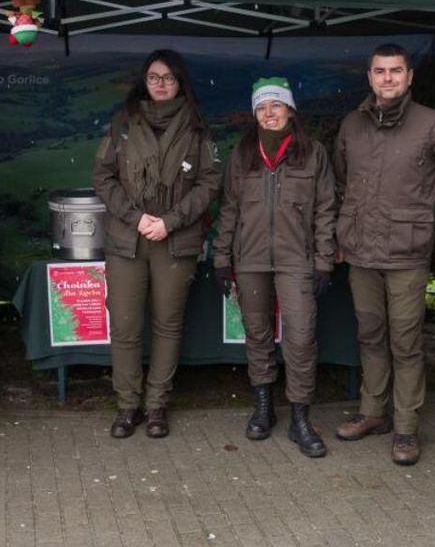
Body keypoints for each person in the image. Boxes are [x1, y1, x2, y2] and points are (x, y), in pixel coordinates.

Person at [333, 43, 435, 466]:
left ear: (409, 77)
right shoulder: (352, 126)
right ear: (369, 77)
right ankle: (372, 412)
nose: (387, 79)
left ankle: (405, 427)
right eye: (380, 71)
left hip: (406, 253)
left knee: (405, 342)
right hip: (362, 251)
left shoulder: (433, 125)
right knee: (370, 336)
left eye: (395, 71)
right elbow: (342, 182)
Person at [92, 49, 220, 439]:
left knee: (168, 325)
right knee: (126, 326)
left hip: (175, 240)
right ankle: (128, 406)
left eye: (168, 77)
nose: (161, 84)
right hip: (126, 240)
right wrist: (137, 217)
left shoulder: (197, 128)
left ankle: (157, 406)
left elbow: (210, 182)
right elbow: (103, 177)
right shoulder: (124, 124)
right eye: (154, 77)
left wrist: (170, 221)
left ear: (180, 82)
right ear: (144, 82)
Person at [212, 77, 336, 458]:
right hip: (249, 260)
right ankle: (263, 407)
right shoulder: (241, 155)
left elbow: (325, 209)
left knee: (300, 338)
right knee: (258, 334)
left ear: (290, 110)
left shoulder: (312, 154)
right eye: (262, 107)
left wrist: (324, 260)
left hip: (296, 259)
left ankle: (301, 417)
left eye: (276, 105)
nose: (269, 113)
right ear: (254, 114)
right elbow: (229, 210)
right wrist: (220, 258)